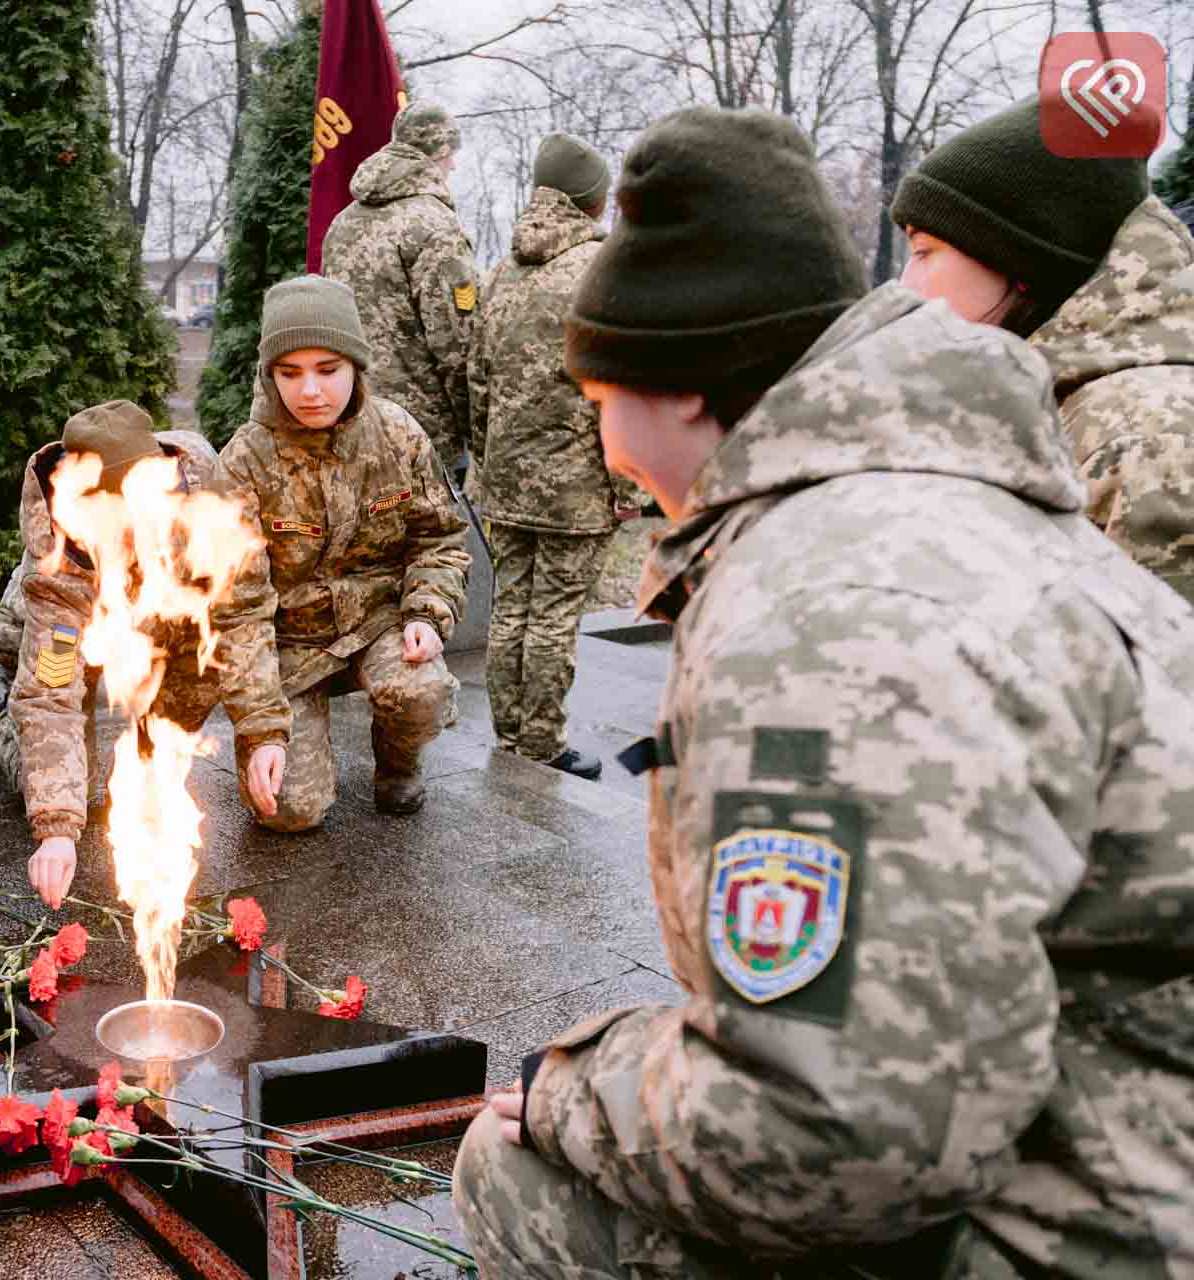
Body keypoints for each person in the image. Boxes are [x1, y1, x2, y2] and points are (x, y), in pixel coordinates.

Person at [451, 106, 1194, 1278]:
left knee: (522, 1175)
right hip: (1118, 1123)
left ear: (686, 388)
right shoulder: (927, 507)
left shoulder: (825, 613)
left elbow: (835, 1135)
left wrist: (568, 1086)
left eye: (603, 401)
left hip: (1114, 1224)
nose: (606, 447)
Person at [890, 94, 1194, 603]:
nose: (904, 285)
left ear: (1019, 260)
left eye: (925, 252)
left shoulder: (1145, 438)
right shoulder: (1045, 402)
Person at [214, 276, 470, 829]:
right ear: (269, 375)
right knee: (288, 813)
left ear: (356, 366)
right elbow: (236, 611)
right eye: (290, 372)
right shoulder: (242, 464)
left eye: (327, 370)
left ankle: (397, 762)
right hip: (290, 643)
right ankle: (292, 742)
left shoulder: (399, 436)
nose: (310, 391)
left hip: (377, 624)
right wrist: (261, 728)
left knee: (421, 692)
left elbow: (440, 537)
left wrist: (426, 608)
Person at [0, 401, 222, 908]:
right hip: (63, 626)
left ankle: (153, 750)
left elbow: (235, 606)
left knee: (204, 647)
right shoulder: (59, 561)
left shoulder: (195, 482)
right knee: (67, 792)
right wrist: (56, 831)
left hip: (150, 621)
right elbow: (50, 696)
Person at [468, 132, 637, 782]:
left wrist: (487, 455)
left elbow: (476, 377)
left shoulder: (503, 271)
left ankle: (510, 737)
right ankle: (540, 745)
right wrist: (628, 486)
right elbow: (618, 389)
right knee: (555, 612)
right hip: (575, 484)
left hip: (506, 478)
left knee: (511, 605)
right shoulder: (602, 273)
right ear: (594, 202)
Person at [321, 100, 480, 467]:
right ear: (439, 150)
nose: (453, 165)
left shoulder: (343, 223)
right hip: (421, 433)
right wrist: (476, 430)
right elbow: (457, 344)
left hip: (347, 416)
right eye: (451, 154)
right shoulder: (436, 225)